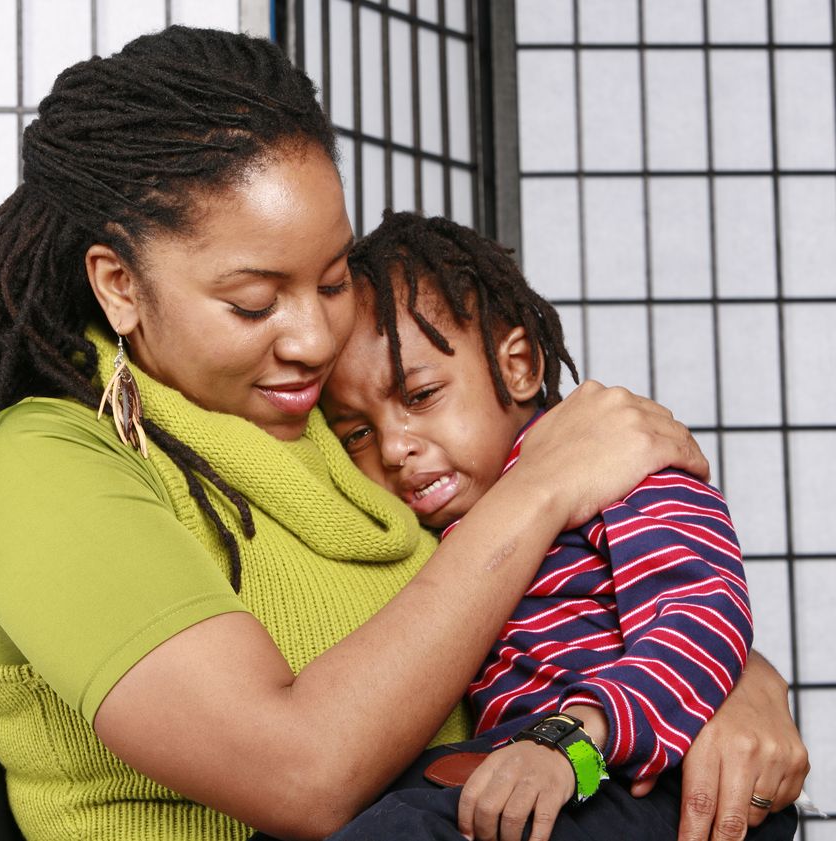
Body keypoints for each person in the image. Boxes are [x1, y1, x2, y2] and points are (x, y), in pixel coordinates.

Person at [0, 25, 807, 841]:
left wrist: (725, 684)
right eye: (253, 302)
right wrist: (545, 484)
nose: (315, 338)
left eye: (331, 280)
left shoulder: (331, 422)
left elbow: (533, 610)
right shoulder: (44, 468)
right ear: (120, 284)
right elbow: (303, 773)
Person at [319, 211, 799, 841]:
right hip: (530, 762)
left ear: (517, 366)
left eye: (421, 396)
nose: (392, 448)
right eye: (356, 432)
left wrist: (571, 738)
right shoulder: (456, 523)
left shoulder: (620, 466)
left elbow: (700, 616)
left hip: (646, 775)